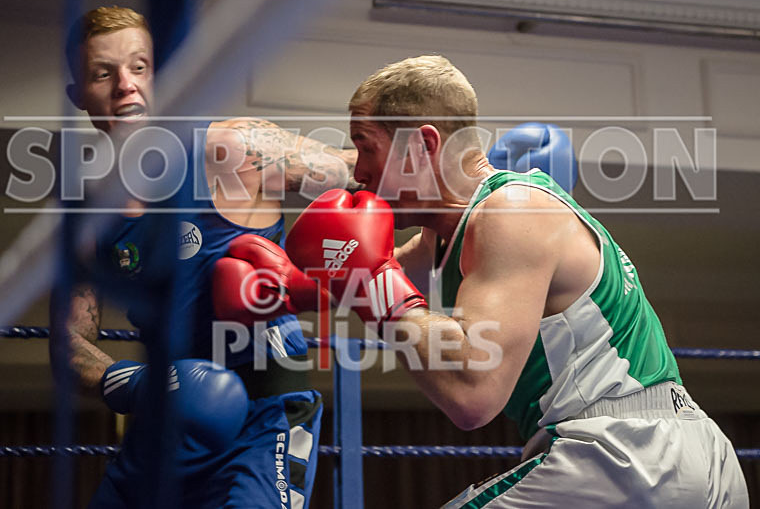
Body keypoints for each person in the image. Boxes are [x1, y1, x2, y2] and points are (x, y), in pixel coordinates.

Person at [231, 55, 749, 507]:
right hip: (682, 458)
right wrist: (284, 289)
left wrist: (369, 283)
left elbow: (472, 394)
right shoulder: (449, 235)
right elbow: (362, 279)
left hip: (628, 453)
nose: (359, 172)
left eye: (367, 147)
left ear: (423, 144)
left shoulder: (512, 211)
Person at [49, 6, 359, 508]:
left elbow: (366, 172)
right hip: (164, 420)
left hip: (265, 420)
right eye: (102, 73)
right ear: (79, 96)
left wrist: (495, 174)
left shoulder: (235, 150)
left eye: (140, 67)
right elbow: (69, 343)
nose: (125, 86)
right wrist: (136, 385)